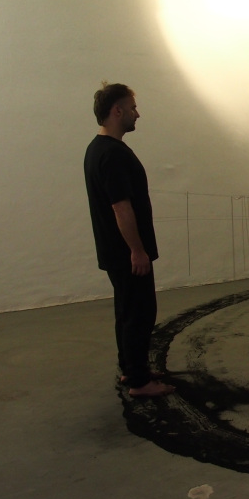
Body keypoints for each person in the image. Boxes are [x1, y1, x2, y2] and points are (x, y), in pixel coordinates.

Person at [84, 82, 174, 397]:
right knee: (140, 313)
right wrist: (137, 250)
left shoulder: (97, 149)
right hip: (126, 253)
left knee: (126, 311)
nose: (138, 114)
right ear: (117, 111)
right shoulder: (112, 154)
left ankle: (131, 370)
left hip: (114, 251)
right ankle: (140, 382)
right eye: (133, 108)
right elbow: (121, 207)